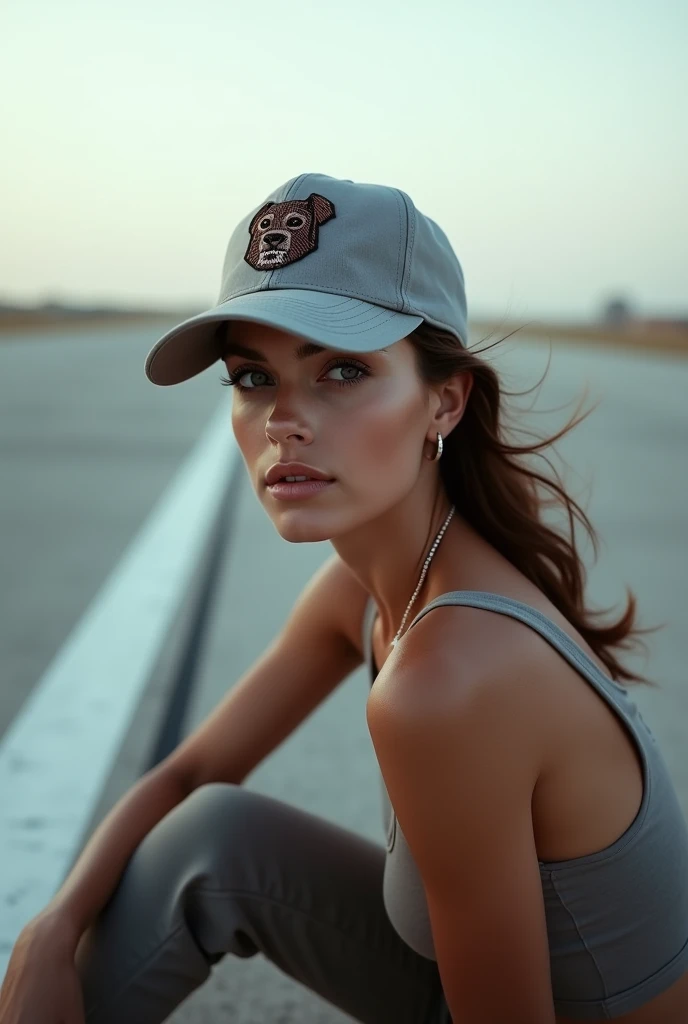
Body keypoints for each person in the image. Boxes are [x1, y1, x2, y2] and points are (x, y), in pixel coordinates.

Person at [1, 172, 687, 1024]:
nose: (285, 419)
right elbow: (191, 773)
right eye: (253, 378)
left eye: (342, 371)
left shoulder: (450, 680)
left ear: (445, 399)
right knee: (210, 838)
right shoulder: (367, 590)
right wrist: (52, 929)